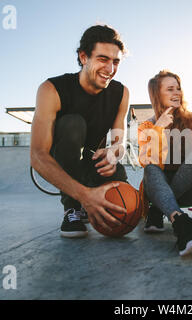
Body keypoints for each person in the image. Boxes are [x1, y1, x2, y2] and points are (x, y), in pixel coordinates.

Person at [30, 25, 130, 238]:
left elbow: (119, 142)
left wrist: (113, 152)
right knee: (73, 124)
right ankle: (72, 208)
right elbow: (38, 155)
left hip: (93, 164)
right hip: (64, 163)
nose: (110, 69)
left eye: (116, 61)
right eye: (103, 59)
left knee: (126, 208)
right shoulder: (52, 89)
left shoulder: (121, 93)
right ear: (83, 57)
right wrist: (84, 196)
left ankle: (89, 198)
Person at [138, 70, 192, 256]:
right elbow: (146, 160)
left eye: (178, 88)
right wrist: (158, 128)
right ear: (157, 95)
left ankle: (158, 209)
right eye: (170, 89)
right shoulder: (147, 126)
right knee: (151, 169)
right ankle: (181, 222)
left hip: (188, 190)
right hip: (158, 186)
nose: (177, 92)